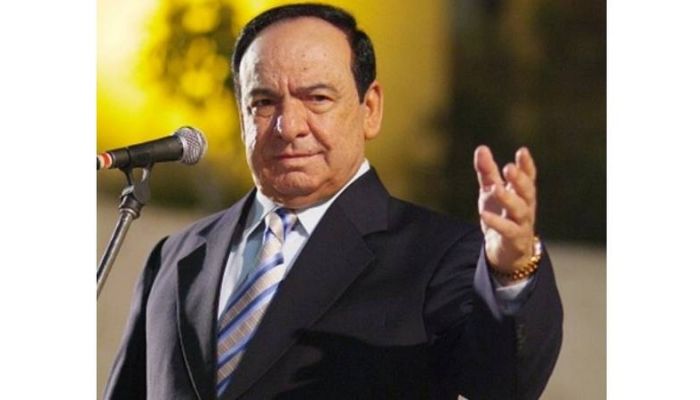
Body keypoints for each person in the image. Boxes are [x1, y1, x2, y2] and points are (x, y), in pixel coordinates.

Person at [104, 3, 562, 399]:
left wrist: (512, 270)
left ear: (370, 109)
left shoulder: (435, 255)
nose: (289, 126)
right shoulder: (176, 257)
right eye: (263, 102)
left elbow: (504, 383)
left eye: (317, 98)